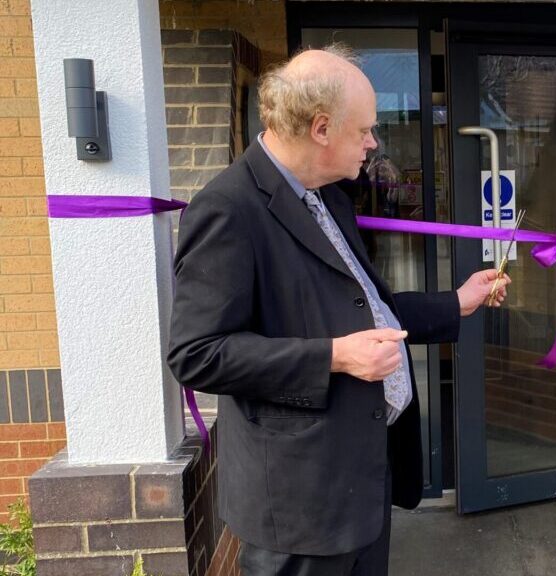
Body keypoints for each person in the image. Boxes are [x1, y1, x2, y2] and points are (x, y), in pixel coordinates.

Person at [166, 45, 509, 576]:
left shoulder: (328, 196)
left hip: (359, 486)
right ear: (321, 128)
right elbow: (197, 354)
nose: (373, 144)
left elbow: (365, 310)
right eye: (364, 130)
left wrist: (456, 302)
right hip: (300, 507)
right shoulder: (229, 209)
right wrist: (333, 357)